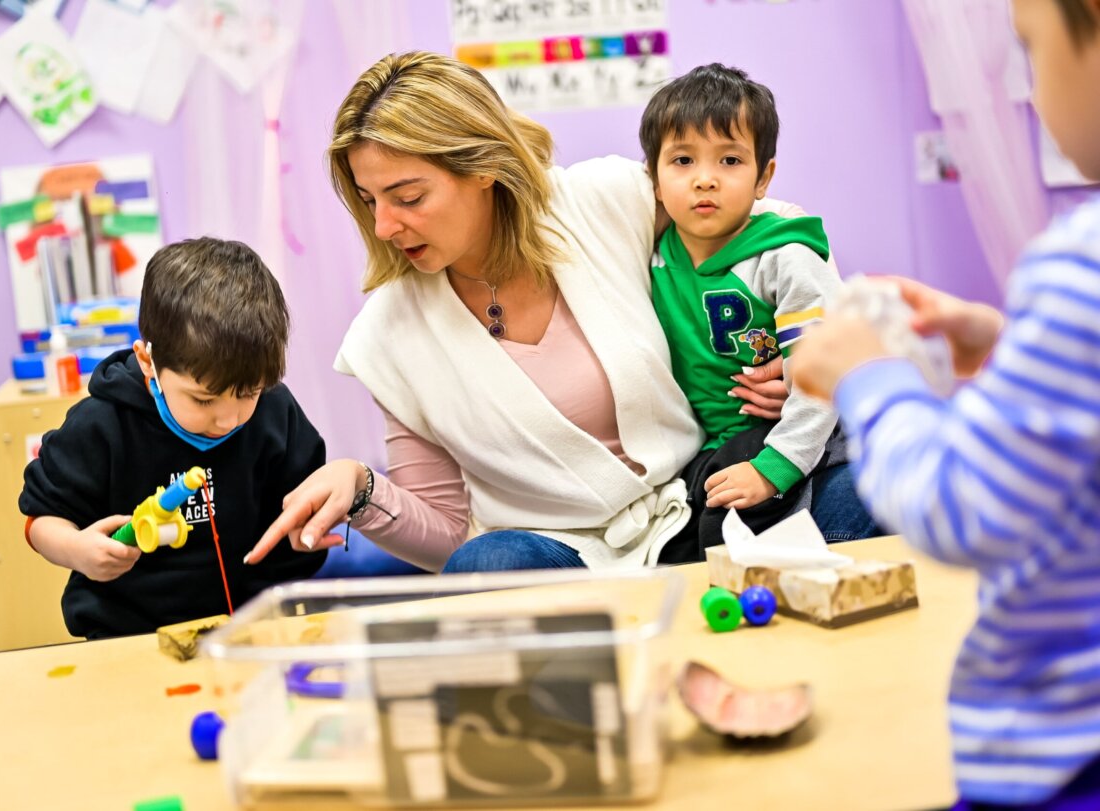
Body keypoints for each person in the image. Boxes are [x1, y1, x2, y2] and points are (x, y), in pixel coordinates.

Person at [245, 51, 876, 574]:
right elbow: (448, 537)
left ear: (484, 166)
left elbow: (751, 217)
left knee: (867, 488)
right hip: (562, 553)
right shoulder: (389, 336)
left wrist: (794, 351)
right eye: (369, 200)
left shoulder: (599, 203)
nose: (384, 225)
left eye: (408, 196)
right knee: (485, 568)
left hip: (697, 498)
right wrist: (360, 489)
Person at [791, 0, 1100, 806]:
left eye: (1030, 50)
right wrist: (1005, 339)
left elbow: (960, 510)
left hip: (1064, 751)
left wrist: (868, 377)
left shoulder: (1079, 266)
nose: (1030, 86)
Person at [20, 238, 327, 639]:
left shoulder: (275, 410)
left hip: (253, 628)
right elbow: (40, 517)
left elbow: (306, 495)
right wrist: (76, 550)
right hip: (128, 635)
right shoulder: (100, 425)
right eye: (203, 399)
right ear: (148, 361)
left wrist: (308, 527)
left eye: (248, 393)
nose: (229, 418)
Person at [641, 63, 846, 562]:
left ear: (763, 177)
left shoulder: (785, 259)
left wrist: (774, 468)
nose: (705, 180)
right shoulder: (651, 257)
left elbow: (823, 372)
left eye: (730, 160)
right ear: (653, 177)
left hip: (795, 438)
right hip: (705, 448)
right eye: (683, 160)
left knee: (732, 538)